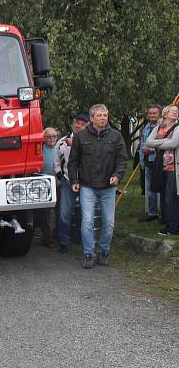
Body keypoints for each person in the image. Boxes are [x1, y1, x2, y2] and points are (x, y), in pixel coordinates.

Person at [67, 104, 127, 269]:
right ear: (92, 118)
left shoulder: (116, 136)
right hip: (87, 186)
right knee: (87, 222)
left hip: (108, 187)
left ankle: (104, 252)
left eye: (105, 115)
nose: (103, 118)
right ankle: (88, 254)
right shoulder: (81, 137)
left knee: (109, 223)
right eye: (100, 115)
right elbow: (73, 162)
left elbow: (122, 160)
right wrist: (74, 181)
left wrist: (117, 175)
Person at [54, 113, 89, 253]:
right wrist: (59, 174)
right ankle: (63, 242)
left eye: (83, 123)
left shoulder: (91, 141)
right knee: (64, 213)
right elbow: (56, 161)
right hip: (68, 181)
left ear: (88, 125)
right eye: (77, 122)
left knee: (85, 213)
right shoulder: (62, 141)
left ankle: (81, 240)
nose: (79, 125)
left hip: (87, 182)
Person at [145, 105, 179, 236]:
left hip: (173, 167)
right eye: (173, 111)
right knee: (163, 195)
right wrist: (165, 140)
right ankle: (167, 222)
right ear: (165, 113)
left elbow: (173, 144)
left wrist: (159, 142)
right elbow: (149, 141)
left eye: (177, 112)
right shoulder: (159, 126)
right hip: (160, 166)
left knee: (171, 197)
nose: (175, 113)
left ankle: (173, 227)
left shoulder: (177, 127)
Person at [34, 128, 58, 247]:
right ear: (43, 138)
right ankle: (47, 239)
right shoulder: (40, 150)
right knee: (46, 214)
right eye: (49, 137)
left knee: (60, 211)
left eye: (54, 136)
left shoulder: (59, 148)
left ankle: (58, 236)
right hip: (44, 184)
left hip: (58, 183)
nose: (52, 139)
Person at [139, 105, 162, 221]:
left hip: (158, 161)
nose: (152, 115)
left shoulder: (162, 127)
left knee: (160, 187)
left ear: (159, 114)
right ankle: (152, 212)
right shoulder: (146, 127)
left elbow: (164, 144)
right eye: (150, 113)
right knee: (149, 188)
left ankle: (162, 212)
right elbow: (142, 144)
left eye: (155, 113)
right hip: (147, 162)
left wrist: (151, 149)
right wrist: (141, 160)